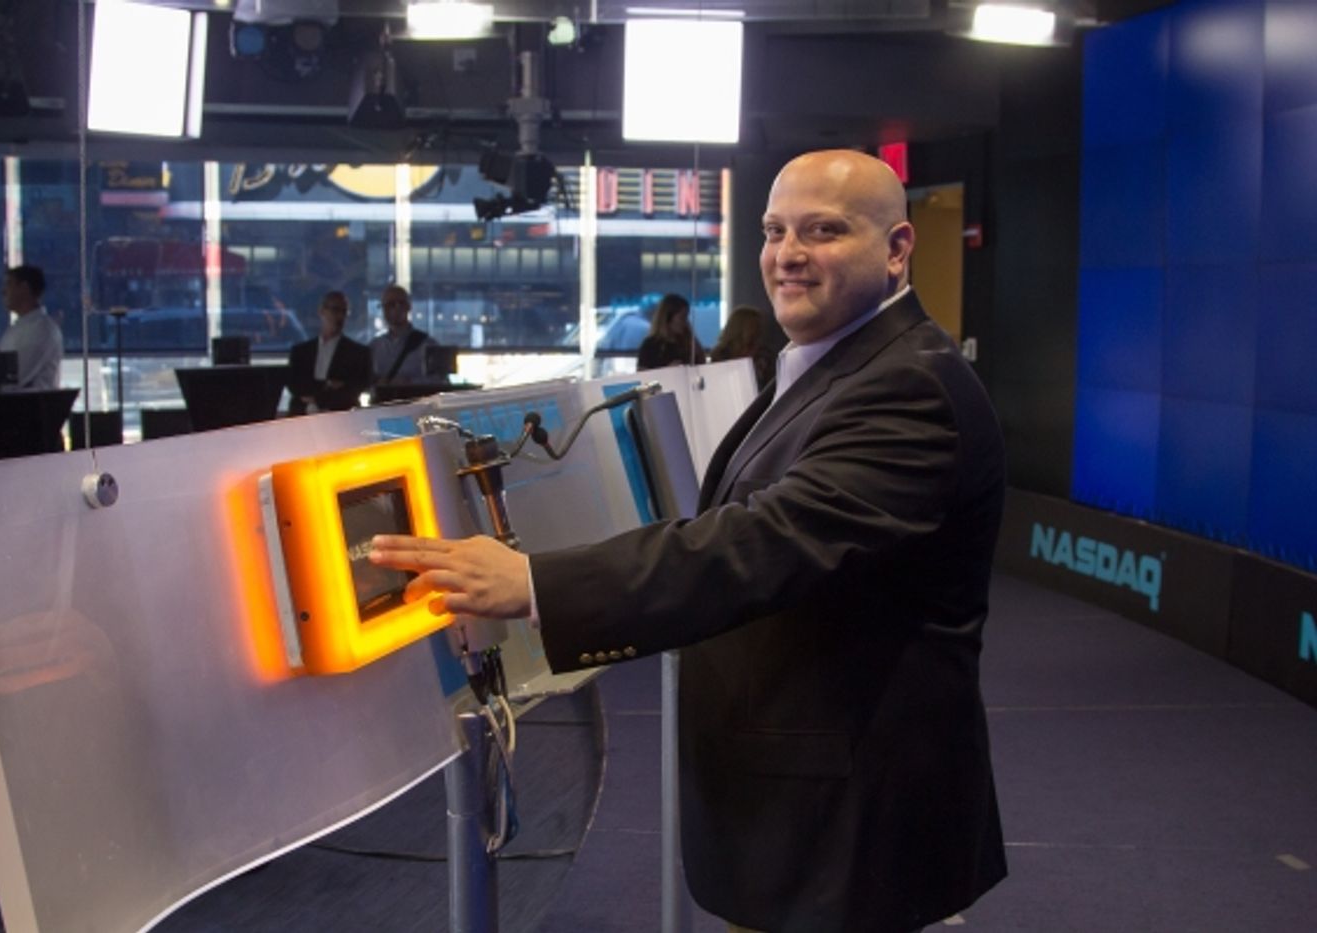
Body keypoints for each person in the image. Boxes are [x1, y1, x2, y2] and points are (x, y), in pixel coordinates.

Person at [369, 149, 1007, 933]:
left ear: (897, 248)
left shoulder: (910, 385)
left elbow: (762, 544)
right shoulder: (843, 363)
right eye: (774, 230)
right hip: (815, 805)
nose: (788, 254)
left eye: (824, 230)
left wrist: (535, 584)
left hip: (851, 824)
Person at [286, 290, 373, 415]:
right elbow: (295, 385)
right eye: (335, 310)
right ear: (321, 311)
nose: (340, 317)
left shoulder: (358, 353)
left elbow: (354, 390)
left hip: (339, 417)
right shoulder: (300, 352)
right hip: (301, 417)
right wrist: (328, 385)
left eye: (344, 311)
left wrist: (316, 396)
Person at [0, 265, 62, 392]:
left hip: (35, 403)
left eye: (9, 284)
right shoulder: (16, 329)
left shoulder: (42, 330)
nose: (3, 291)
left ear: (24, 288)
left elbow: (14, 377)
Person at [369, 284, 436, 386]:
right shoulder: (374, 346)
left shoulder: (427, 345)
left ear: (408, 307)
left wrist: (410, 383)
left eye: (400, 303)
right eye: (389, 305)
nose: (396, 308)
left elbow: (438, 380)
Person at [710, 304, 775, 390]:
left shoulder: (765, 355)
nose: (760, 328)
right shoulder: (721, 354)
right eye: (756, 324)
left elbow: (770, 387)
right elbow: (715, 384)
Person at [636, 292, 706, 370]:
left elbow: (702, 367)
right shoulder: (651, 345)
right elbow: (642, 374)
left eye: (686, 317)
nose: (685, 322)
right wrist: (667, 371)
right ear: (668, 318)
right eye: (682, 318)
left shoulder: (688, 343)